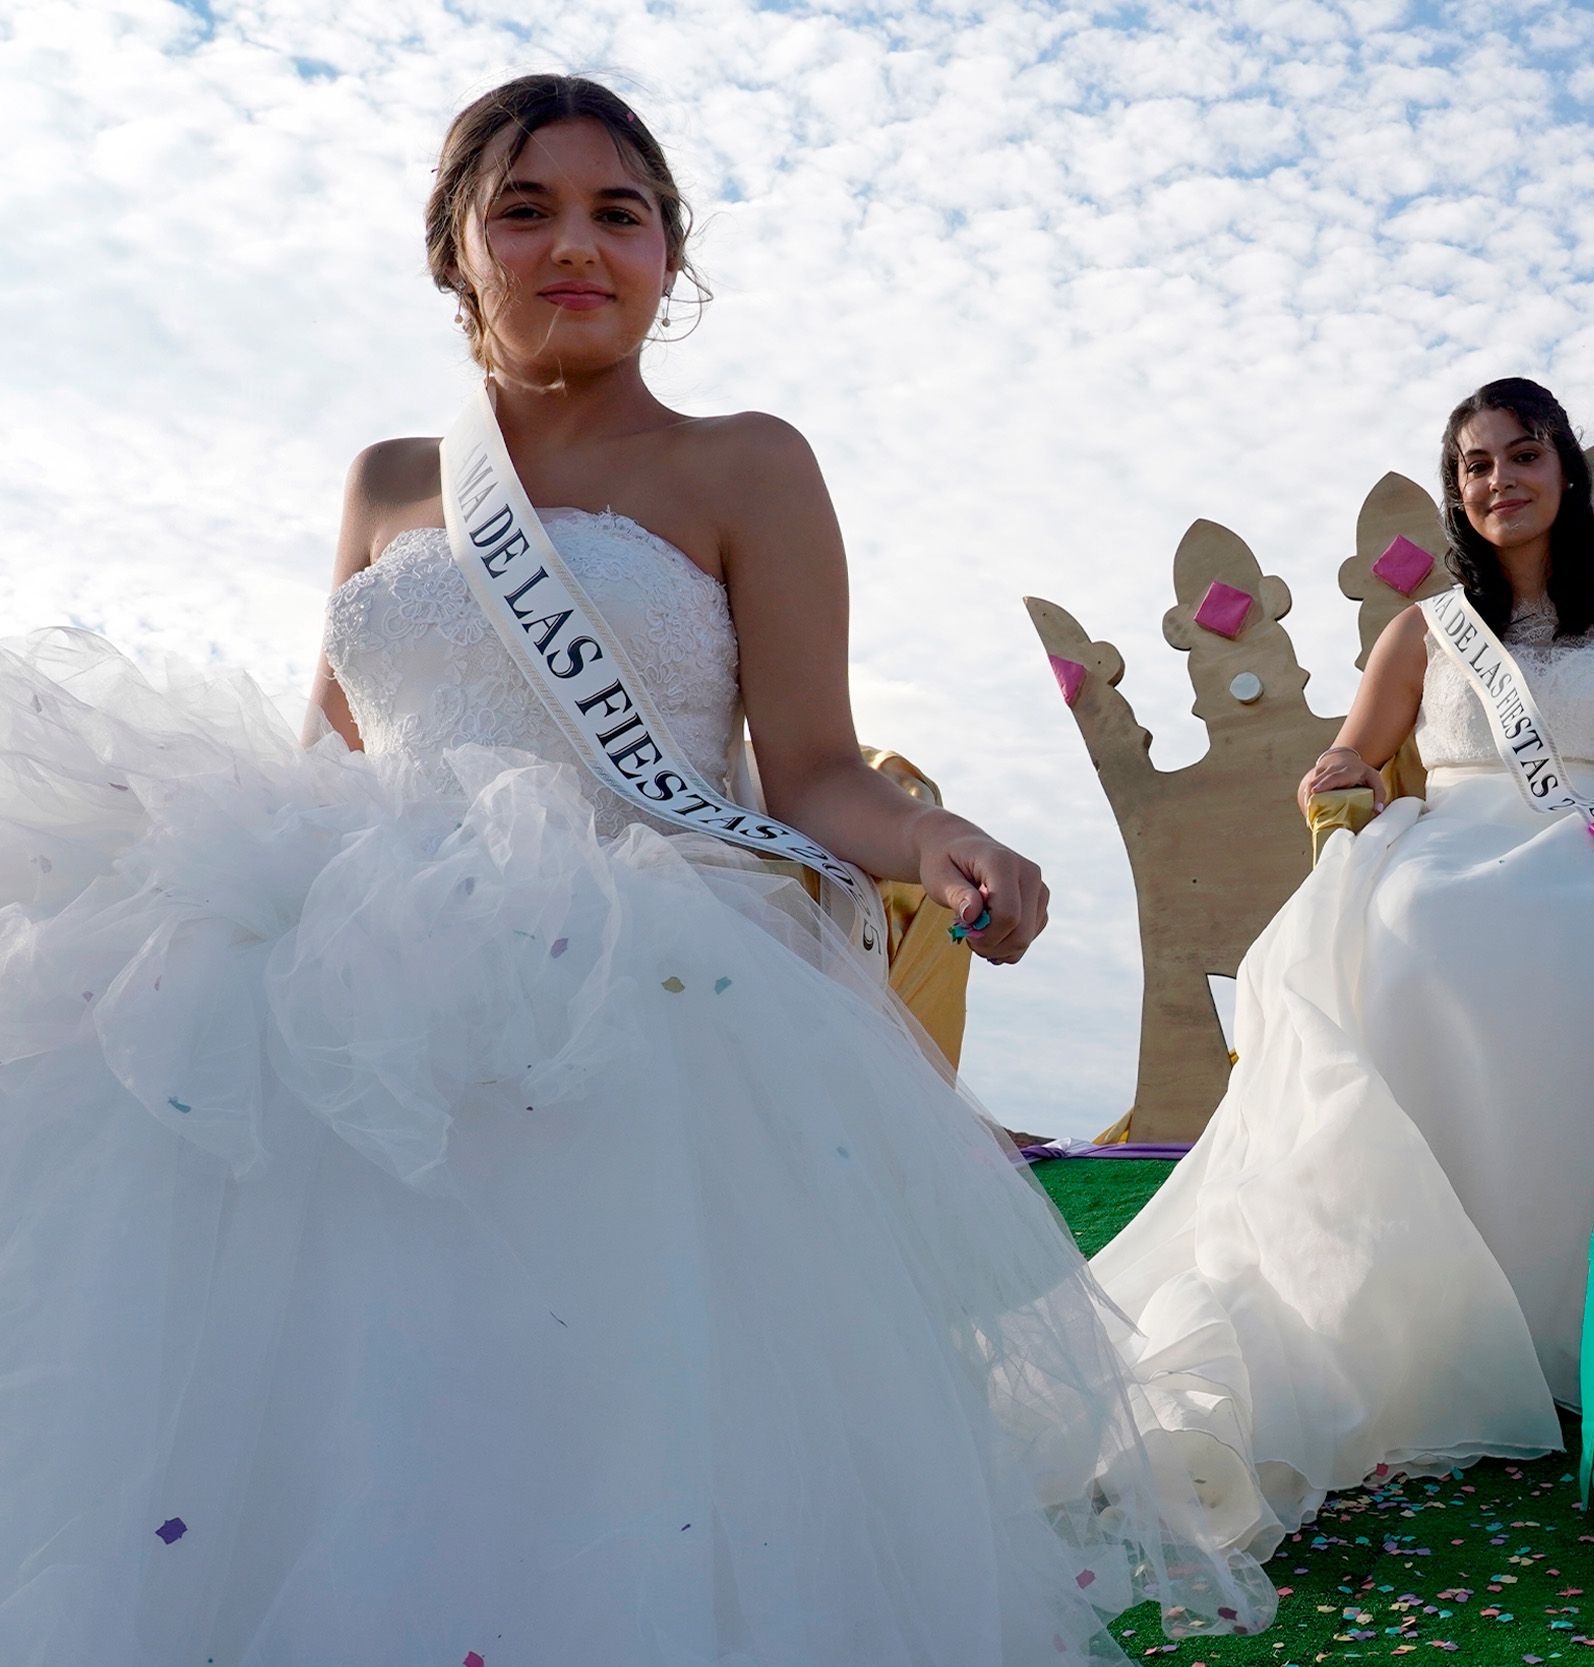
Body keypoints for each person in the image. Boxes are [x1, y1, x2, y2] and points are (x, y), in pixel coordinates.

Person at [0, 74, 1268, 1665]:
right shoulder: (395, 475)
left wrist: (938, 836)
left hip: (633, 981)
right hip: (347, 976)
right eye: (525, 209)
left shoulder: (746, 461)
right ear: (459, 250)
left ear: (674, 255)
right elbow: (332, 749)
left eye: (622, 213)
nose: (576, 246)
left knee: (604, 1418)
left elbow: (808, 767)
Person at [1093, 377, 1594, 1556]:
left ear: (1565, 469)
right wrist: (1335, 777)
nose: (1500, 481)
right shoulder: (1424, 628)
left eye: (1522, 455)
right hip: (1450, 848)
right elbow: (1353, 751)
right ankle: (1439, 1333)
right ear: (1457, 490)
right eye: (1474, 465)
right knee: (1410, 934)